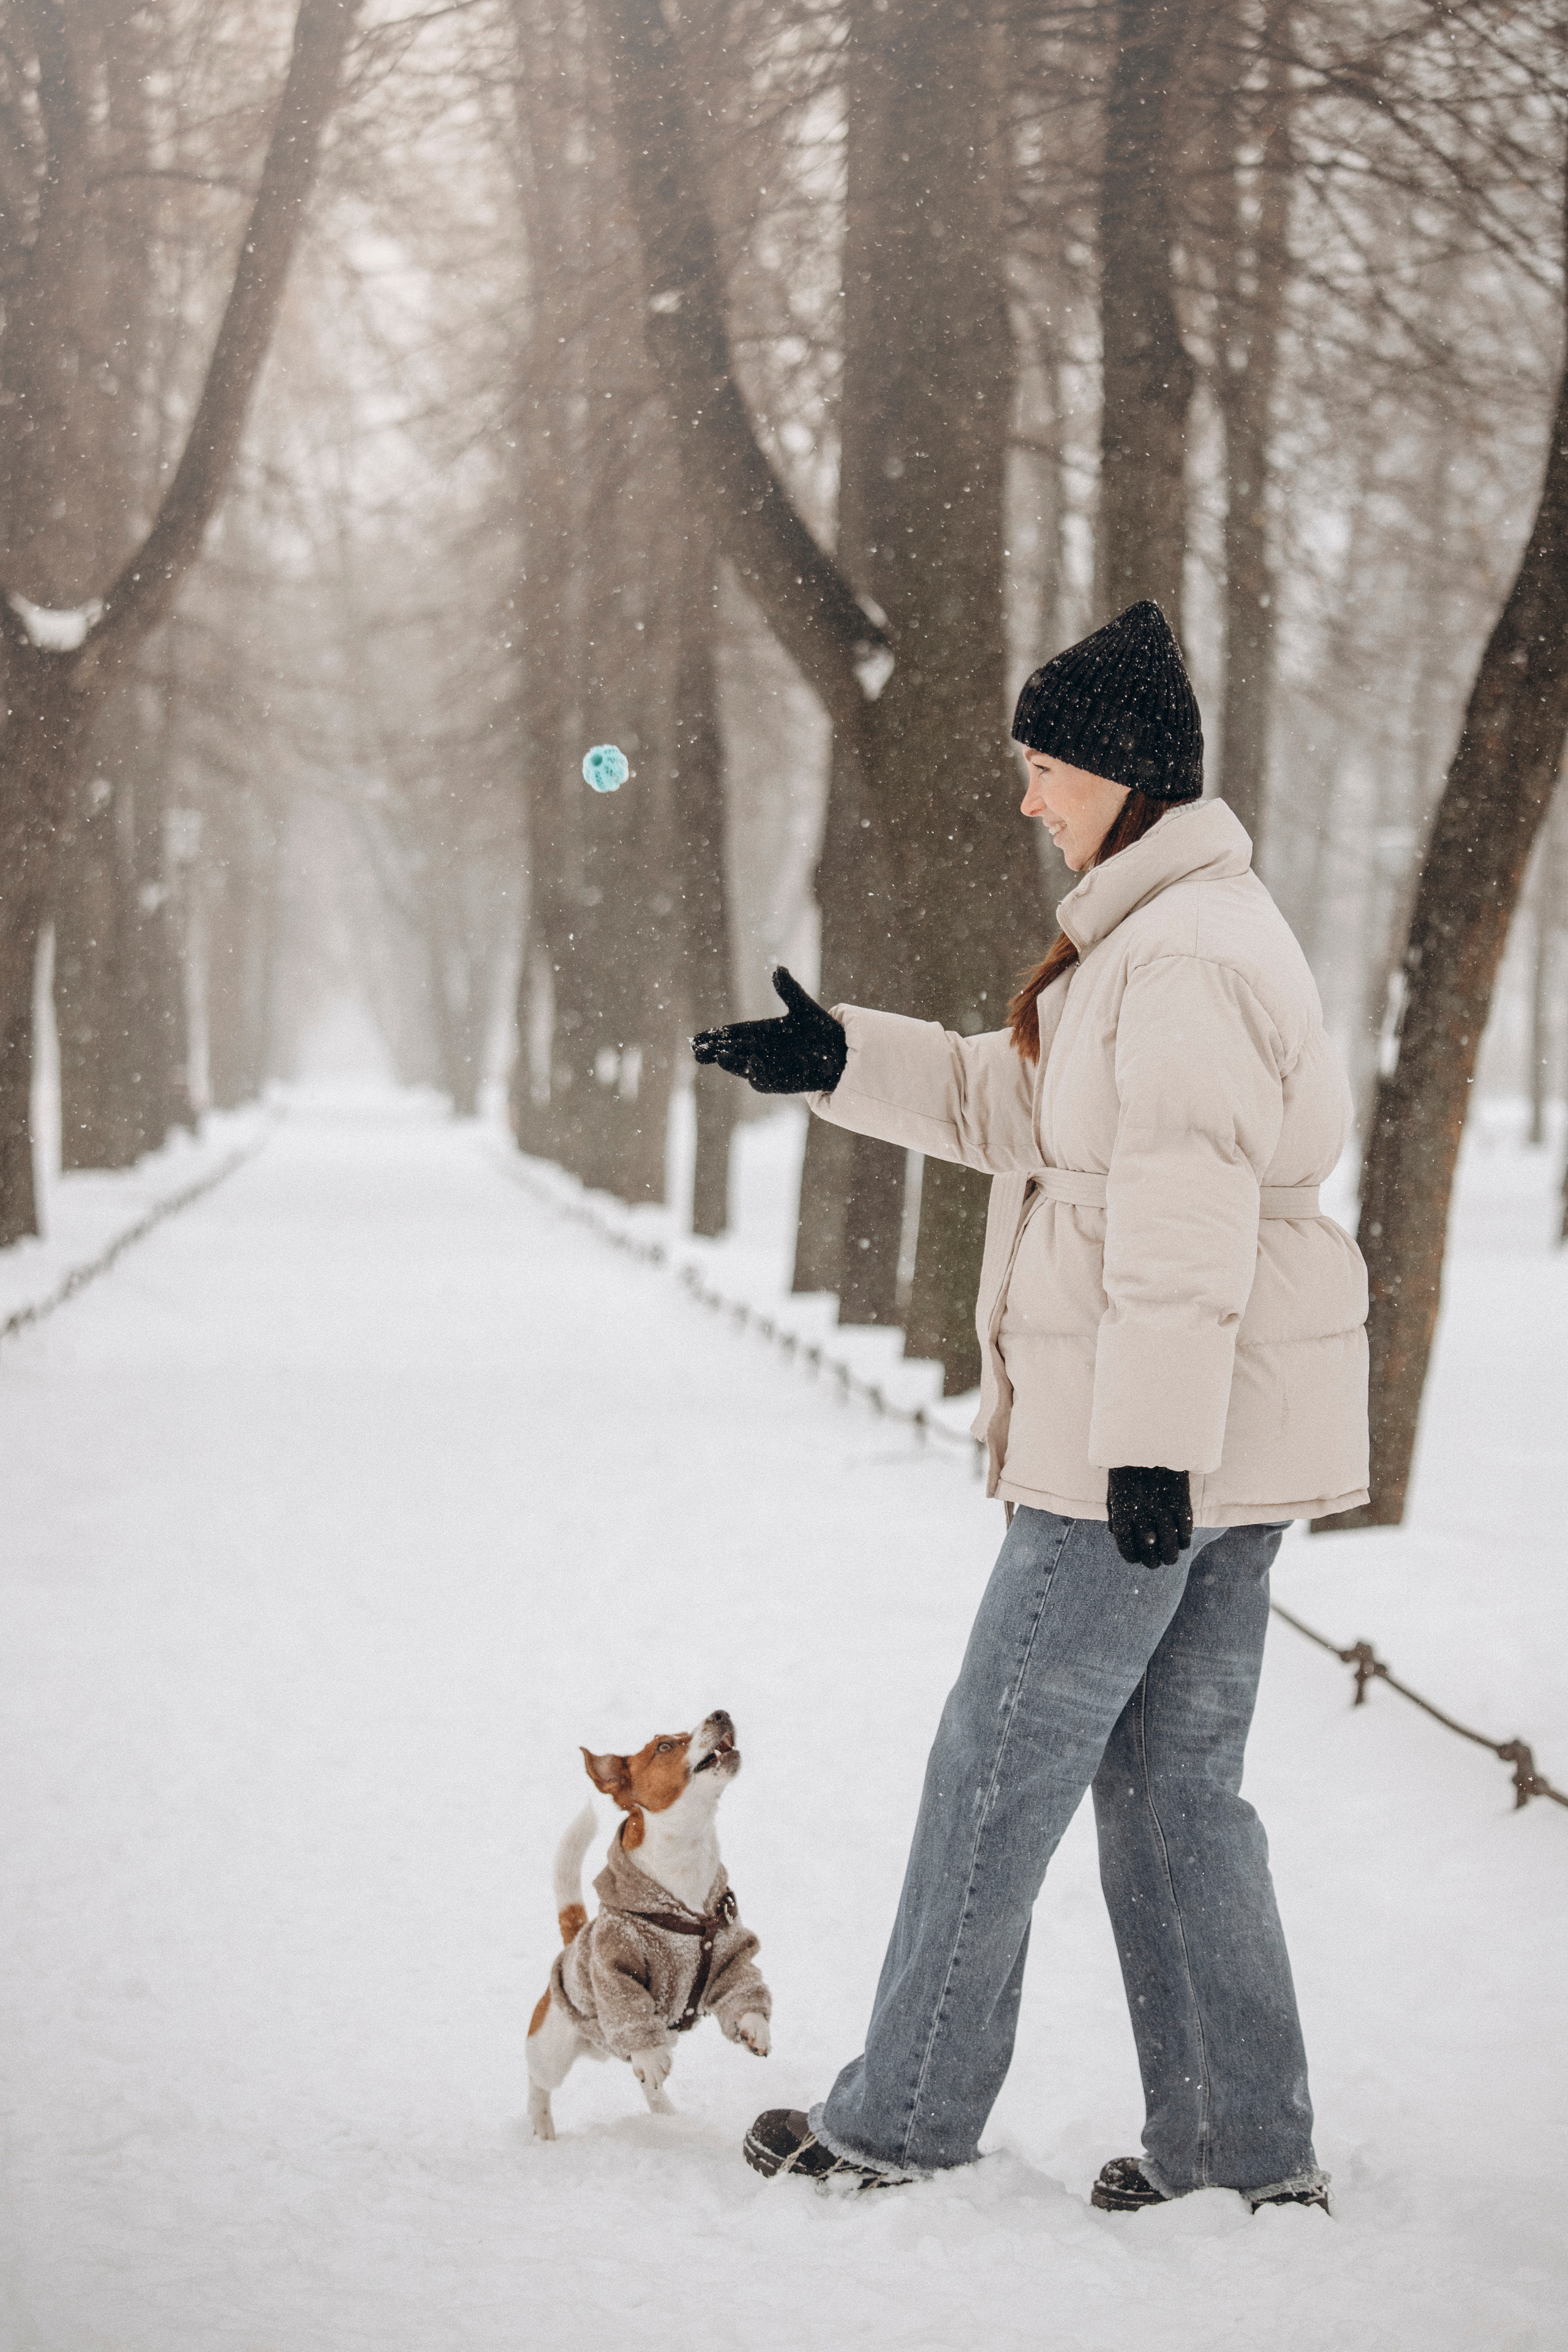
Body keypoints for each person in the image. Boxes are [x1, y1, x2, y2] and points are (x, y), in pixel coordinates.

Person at [690, 600, 1368, 2213]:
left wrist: (1143, 1453)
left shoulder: (1186, 955)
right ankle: (1241, 2148)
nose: (1025, 798)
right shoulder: (1162, 933)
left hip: (1147, 1442)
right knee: (1172, 1787)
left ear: (1122, 776)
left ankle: (906, 2119)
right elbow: (1026, 1110)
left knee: (996, 1768)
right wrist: (839, 1056)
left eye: (1043, 767)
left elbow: (1184, 1216)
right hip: (1215, 1438)